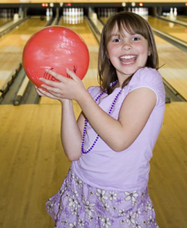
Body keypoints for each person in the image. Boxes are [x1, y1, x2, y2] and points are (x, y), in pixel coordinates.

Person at [36, 11, 165, 228]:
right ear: (106, 51)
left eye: (135, 38)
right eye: (116, 39)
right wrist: (67, 100)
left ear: (149, 48)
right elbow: (73, 151)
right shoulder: (96, 95)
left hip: (120, 199)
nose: (126, 45)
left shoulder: (148, 81)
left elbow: (120, 139)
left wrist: (80, 96)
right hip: (80, 188)